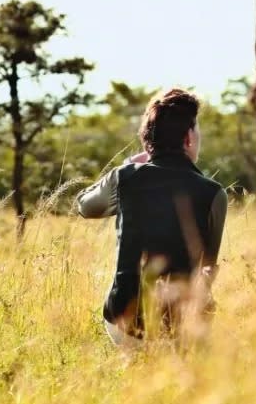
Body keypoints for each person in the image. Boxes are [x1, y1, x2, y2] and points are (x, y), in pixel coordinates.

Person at [75, 88, 228, 346]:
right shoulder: (213, 193)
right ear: (189, 137)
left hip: (123, 323)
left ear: (147, 140)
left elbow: (85, 207)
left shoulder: (124, 178)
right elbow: (207, 267)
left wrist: (127, 165)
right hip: (180, 328)